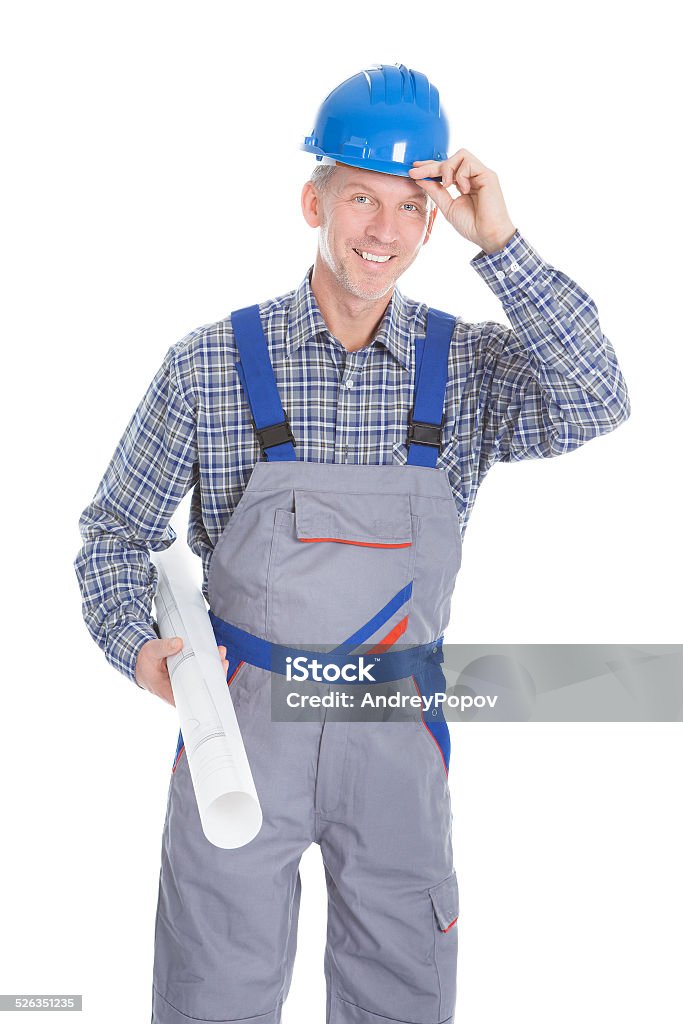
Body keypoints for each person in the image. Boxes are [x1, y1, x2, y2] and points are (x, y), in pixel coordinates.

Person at [73, 63, 630, 1024]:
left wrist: (498, 241)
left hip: (395, 731)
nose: (383, 230)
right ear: (313, 200)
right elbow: (113, 536)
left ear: (432, 216)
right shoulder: (209, 364)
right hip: (242, 729)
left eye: (409, 205)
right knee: (214, 992)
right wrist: (143, 650)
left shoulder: (465, 368)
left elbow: (595, 398)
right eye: (360, 198)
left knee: (400, 993)